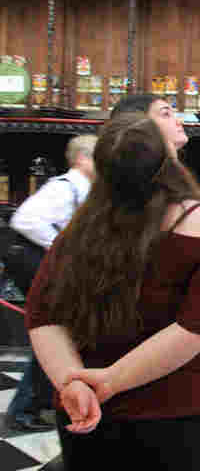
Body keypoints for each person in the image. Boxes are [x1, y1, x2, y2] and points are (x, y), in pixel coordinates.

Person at [24, 113, 200, 470]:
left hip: (84, 410)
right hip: (172, 414)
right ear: (167, 160)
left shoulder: (80, 228)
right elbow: (197, 326)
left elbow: (42, 315)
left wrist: (72, 382)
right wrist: (109, 381)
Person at [4, 134, 97, 432]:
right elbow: (24, 221)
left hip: (39, 261)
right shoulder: (65, 187)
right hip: (31, 261)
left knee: (58, 332)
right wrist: (62, 247)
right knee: (54, 332)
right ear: (82, 159)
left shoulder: (81, 189)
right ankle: (25, 408)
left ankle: (40, 401)